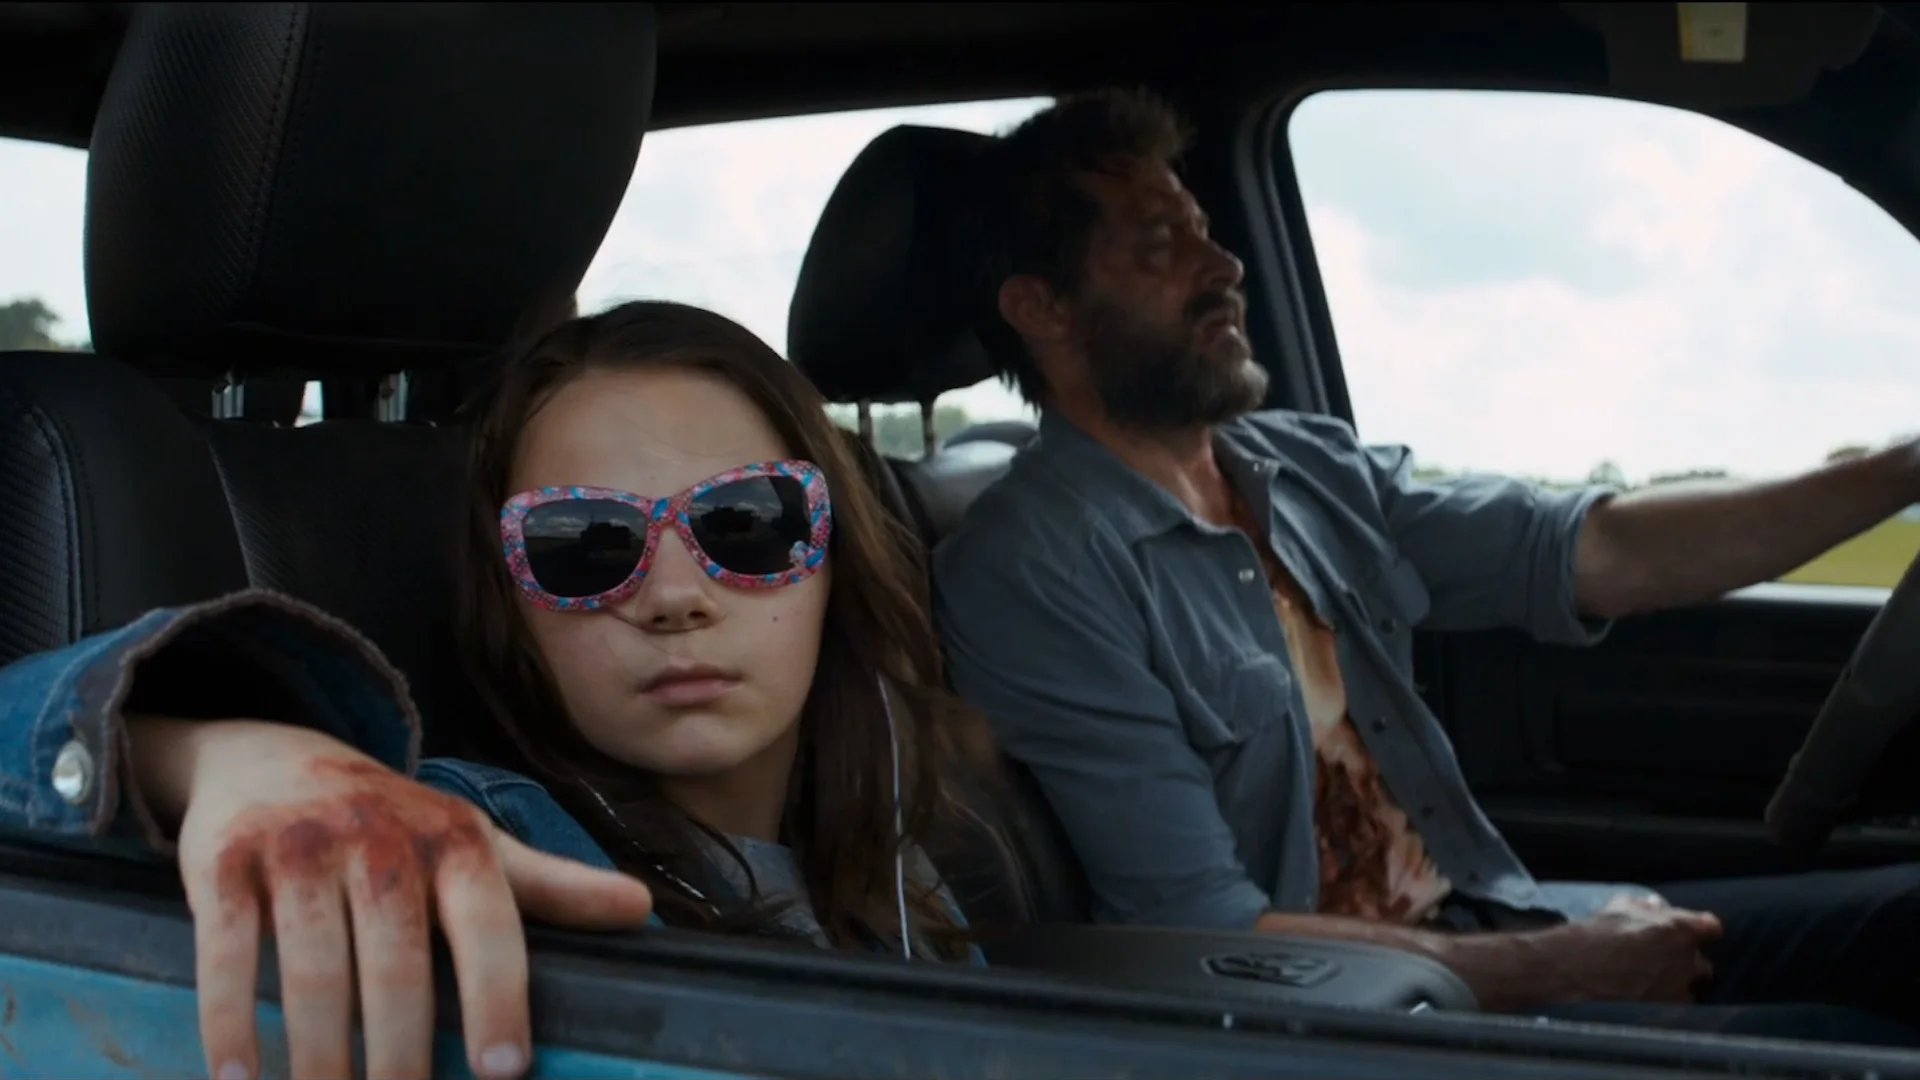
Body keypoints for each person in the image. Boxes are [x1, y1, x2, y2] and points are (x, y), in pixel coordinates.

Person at [932, 88, 1920, 1046]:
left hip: (1485, 925)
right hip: (1360, 1027)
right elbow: (1207, 935)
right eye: (1162, 245)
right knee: (1845, 1048)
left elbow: (1600, 549)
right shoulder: (1032, 572)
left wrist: (1901, 471)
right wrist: (1561, 966)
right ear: (1042, 308)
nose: (1223, 264)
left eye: (1204, 231)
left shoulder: (1304, 467)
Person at [0, 299, 997, 1080]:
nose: (675, 597)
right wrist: (203, 752)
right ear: (510, 607)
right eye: (583, 545)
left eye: (747, 522)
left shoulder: (890, 866)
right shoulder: (470, 847)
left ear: (832, 558)